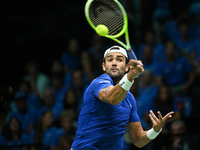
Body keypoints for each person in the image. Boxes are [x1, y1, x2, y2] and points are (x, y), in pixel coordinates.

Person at [71, 45, 174, 150]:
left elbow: (138, 140)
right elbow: (112, 98)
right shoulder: (98, 83)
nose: (114, 63)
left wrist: (155, 131)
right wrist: (130, 76)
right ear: (104, 66)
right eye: (110, 59)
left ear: (126, 67)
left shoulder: (129, 99)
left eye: (119, 60)